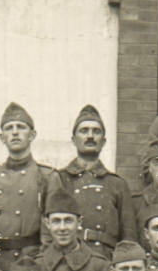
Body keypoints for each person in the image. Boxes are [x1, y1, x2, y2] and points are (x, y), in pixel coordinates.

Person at [0, 102, 54, 268]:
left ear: (32, 135)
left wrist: (42, 263)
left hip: (31, 262)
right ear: (2, 137)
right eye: (9, 128)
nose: (15, 132)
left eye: (21, 127)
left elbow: (51, 230)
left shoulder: (47, 177)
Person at [62, 106, 147, 256]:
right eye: (84, 131)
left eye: (96, 131)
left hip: (105, 259)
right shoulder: (60, 179)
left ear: (104, 141)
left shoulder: (117, 184)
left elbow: (129, 236)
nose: (90, 136)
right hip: (68, 256)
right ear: (74, 140)